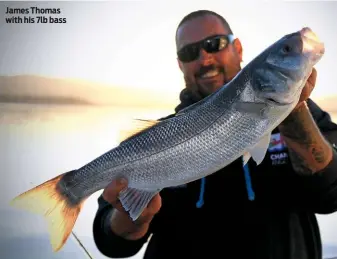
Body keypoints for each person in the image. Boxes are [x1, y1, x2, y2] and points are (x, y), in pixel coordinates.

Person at [93, 10, 337, 259]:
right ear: (180, 64)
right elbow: (111, 242)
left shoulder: (303, 115)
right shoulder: (160, 137)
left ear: (238, 48)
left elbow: (331, 195)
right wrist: (131, 218)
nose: (204, 58)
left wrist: (293, 112)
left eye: (214, 44)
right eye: (190, 53)